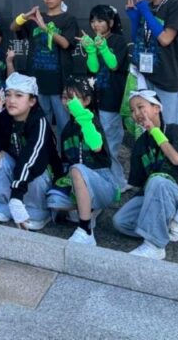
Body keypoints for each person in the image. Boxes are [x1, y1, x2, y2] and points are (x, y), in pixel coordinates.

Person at [112, 89, 178, 259]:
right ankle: (164, 225)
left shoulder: (176, 131)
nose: (137, 113)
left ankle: (155, 245)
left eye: (140, 107)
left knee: (157, 180)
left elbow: (177, 160)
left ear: (157, 108)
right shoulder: (140, 143)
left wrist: (154, 130)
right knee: (121, 222)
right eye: (132, 110)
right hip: (155, 192)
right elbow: (139, 183)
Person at [0, 72, 62, 230]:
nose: (11, 100)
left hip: (40, 175)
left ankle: (38, 210)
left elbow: (30, 160)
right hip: (17, 175)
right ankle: (3, 204)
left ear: (32, 101)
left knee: (33, 168)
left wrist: (16, 196)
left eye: (19, 95)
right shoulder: (4, 116)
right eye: (8, 94)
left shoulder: (39, 122)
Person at [45, 76, 118, 246]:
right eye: (65, 97)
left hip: (103, 181)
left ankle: (86, 230)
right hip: (78, 180)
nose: (68, 103)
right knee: (54, 199)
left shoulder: (91, 121)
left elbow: (96, 145)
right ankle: (88, 209)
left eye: (73, 98)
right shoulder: (67, 130)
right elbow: (66, 162)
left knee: (77, 169)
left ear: (86, 101)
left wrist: (81, 116)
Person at [11, 0, 78, 143]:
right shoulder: (36, 18)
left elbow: (65, 43)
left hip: (59, 83)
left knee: (64, 124)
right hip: (37, 81)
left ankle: (65, 156)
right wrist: (25, 17)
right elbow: (13, 27)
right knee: (40, 123)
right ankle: (45, 154)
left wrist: (45, 28)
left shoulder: (68, 19)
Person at [125, 0, 178, 126]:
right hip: (146, 77)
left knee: (170, 126)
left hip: (166, 78)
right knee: (149, 125)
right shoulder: (147, 7)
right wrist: (134, 19)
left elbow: (165, 39)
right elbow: (138, 40)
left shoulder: (176, 7)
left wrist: (145, 12)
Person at [78, 5, 129, 192]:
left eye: (100, 21)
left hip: (112, 99)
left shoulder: (119, 41)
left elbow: (113, 65)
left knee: (110, 143)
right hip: (96, 99)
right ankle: (111, 180)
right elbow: (93, 69)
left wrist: (103, 48)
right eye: (93, 21)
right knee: (98, 140)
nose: (95, 25)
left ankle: (117, 183)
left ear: (111, 22)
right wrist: (91, 50)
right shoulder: (92, 41)